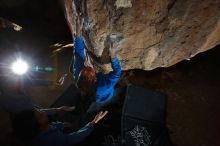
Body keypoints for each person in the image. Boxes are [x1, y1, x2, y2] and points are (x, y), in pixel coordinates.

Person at [70, 17, 121, 111]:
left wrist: (78, 35)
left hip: (92, 92)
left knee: (73, 66)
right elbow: (117, 73)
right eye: (93, 72)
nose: (90, 67)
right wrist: (113, 56)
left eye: (85, 68)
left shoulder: (77, 73)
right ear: (95, 79)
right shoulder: (103, 87)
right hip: (105, 96)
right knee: (115, 92)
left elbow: (78, 53)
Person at [12, 107, 108, 146]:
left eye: (39, 110)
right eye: (40, 115)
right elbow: (73, 138)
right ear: (38, 128)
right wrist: (92, 124)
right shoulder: (51, 139)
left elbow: (51, 125)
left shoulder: (41, 129)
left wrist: (61, 125)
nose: (43, 112)